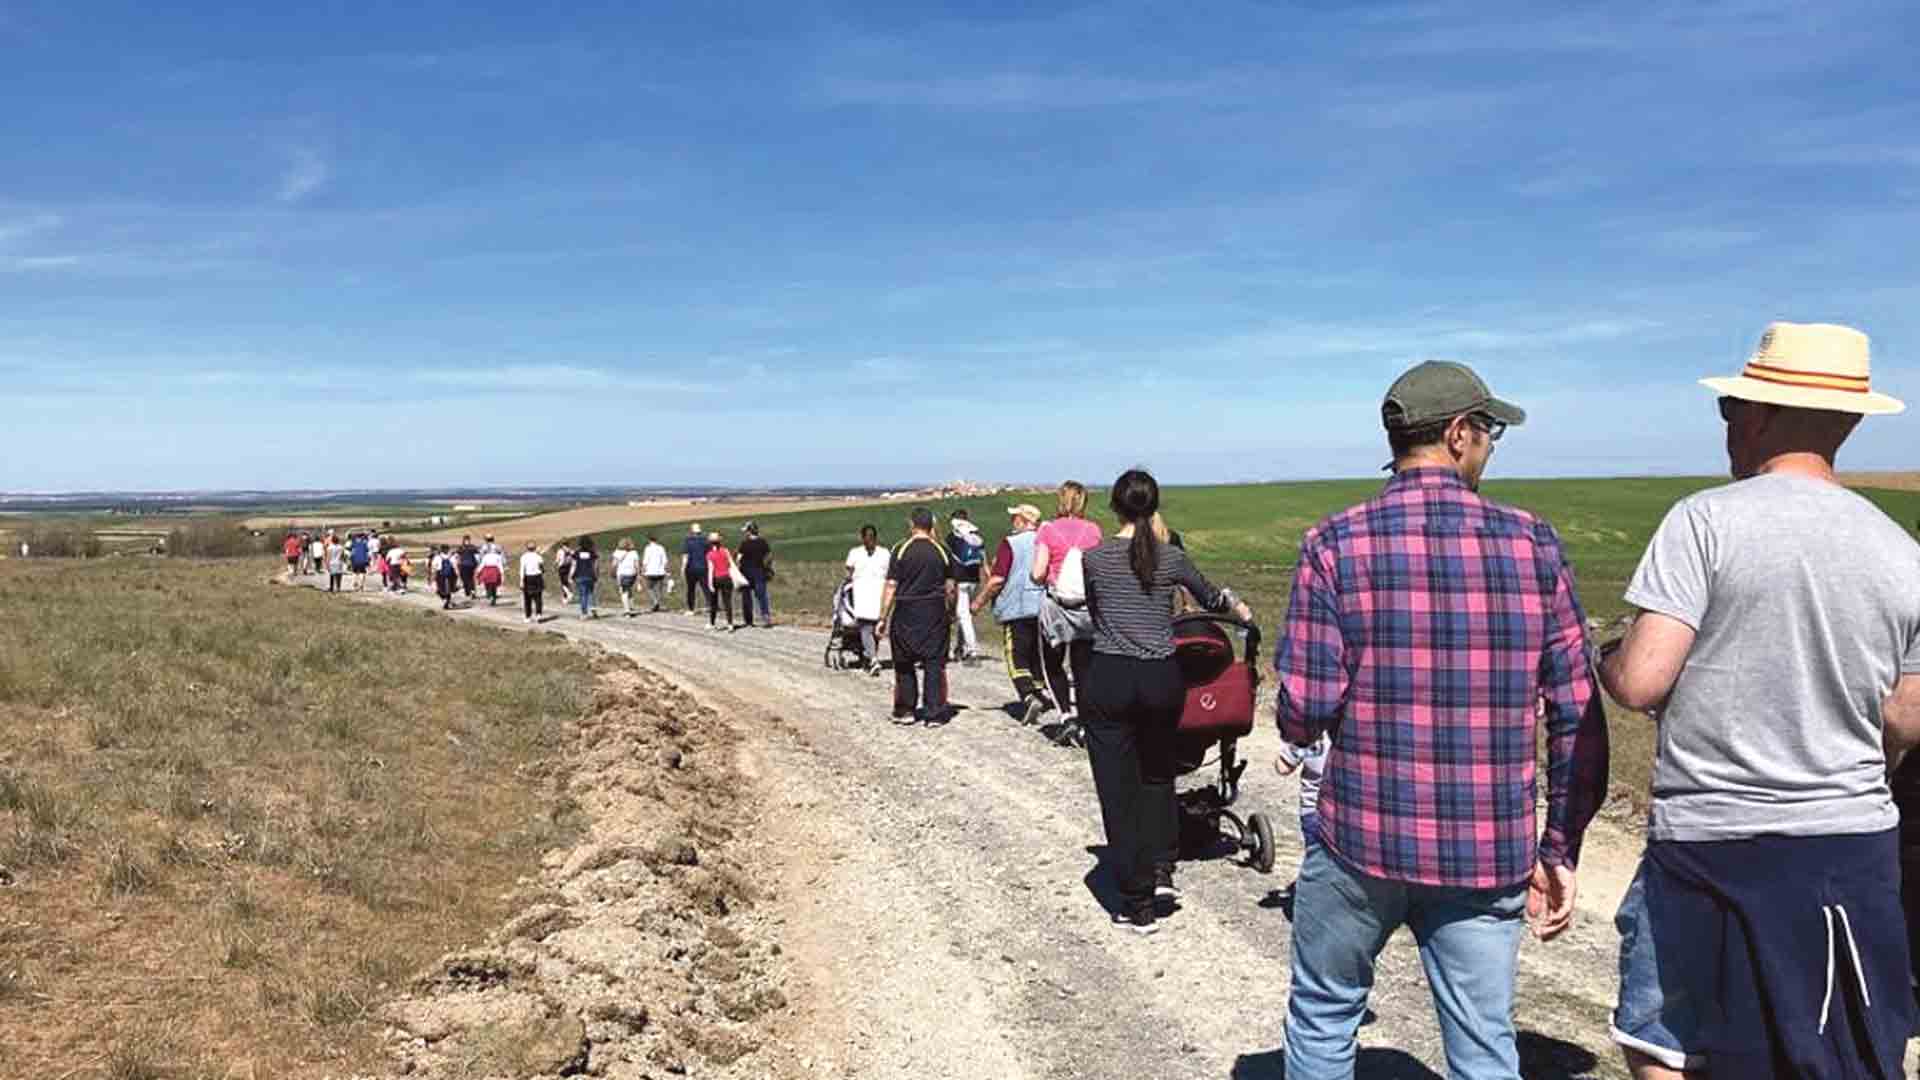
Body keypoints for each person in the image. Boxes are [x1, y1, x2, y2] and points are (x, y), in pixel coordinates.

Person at [1596, 322, 1919, 1079]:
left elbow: (1644, 681)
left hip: (1710, 839)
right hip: (1851, 845)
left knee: (1667, 1042)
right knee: (1836, 1049)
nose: (1728, 425)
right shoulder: (1902, 552)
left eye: (1730, 409)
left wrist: (1607, 657)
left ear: (1760, 414)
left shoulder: (1705, 520)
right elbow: (1907, 716)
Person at [1276, 360, 1609, 1080]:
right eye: (1488, 432)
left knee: (1324, 1013)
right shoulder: (1534, 543)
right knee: (1484, 1041)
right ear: (1459, 435)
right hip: (1486, 850)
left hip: (1359, 834)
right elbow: (1576, 711)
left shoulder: (1333, 543)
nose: (1489, 445)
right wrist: (1560, 846)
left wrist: (1310, 730)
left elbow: (1303, 705)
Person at [1082, 470, 1252, 932]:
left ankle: (1136, 902)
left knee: (1119, 789)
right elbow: (1212, 597)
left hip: (1111, 676)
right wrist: (1241, 611)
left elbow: (1091, 612)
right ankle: (1162, 869)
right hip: (1161, 678)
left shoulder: (1093, 559)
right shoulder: (1172, 558)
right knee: (1157, 777)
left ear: (1114, 507)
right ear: (1154, 508)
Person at [1031, 481, 1103, 746]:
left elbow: (1038, 573)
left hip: (1057, 607)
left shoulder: (1047, 530)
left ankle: (1065, 717)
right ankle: (1085, 720)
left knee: (1052, 664)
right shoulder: (1093, 531)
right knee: (1083, 667)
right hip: (1086, 609)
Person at [972, 504, 1052, 726]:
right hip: (1042, 607)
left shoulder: (1011, 543)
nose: (1012, 521)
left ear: (1023, 520)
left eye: (1015, 517)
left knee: (1016, 655)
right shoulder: (1044, 541)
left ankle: (1028, 696)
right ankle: (1042, 694)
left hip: (1017, 608)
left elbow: (997, 580)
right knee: (1037, 655)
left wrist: (979, 601)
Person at [877, 508, 956, 723]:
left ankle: (905, 710)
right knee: (933, 663)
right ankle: (934, 712)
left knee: (903, 663)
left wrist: (883, 617)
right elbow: (950, 587)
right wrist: (951, 612)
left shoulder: (900, 549)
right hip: (934, 611)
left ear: (912, 524)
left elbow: (891, 585)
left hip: (906, 610)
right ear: (931, 524)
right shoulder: (942, 550)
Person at [844, 525, 891, 674]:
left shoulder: (884, 554)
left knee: (875, 630)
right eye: (867, 537)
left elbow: (890, 575)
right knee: (866, 628)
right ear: (862, 538)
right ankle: (873, 659)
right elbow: (849, 573)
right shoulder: (855, 553)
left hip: (878, 596)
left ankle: (870, 657)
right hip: (862, 595)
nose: (869, 540)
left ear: (876, 538)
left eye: (872, 537)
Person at [946, 510, 986, 662]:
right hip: (974, 580)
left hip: (960, 580)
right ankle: (960, 648)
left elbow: (949, 560)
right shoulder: (976, 537)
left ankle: (972, 650)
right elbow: (983, 559)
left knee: (963, 615)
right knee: (965, 615)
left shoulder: (952, 538)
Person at [737, 522, 773, 628]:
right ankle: (765, 617)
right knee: (762, 595)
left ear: (749, 531)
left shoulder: (744, 543)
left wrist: (738, 570)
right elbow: (769, 556)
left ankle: (748, 620)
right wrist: (767, 568)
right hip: (760, 571)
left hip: (746, 572)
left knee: (746, 596)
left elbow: (738, 559)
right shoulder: (763, 542)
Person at [705, 531, 738, 631]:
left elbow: (710, 570)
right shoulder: (725, 551)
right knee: (727, 602)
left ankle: (712, 623)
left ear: (710, 543)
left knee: (713, 603)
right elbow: (730, 564)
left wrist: (710, 583)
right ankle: (730, 624)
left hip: (716, 579)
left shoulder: (709, 554)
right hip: (727, 578)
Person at [682, 523, 712, 615]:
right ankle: (710, 605)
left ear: (691, 531)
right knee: (706, 588)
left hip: (691, 568)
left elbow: (685, 556)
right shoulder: (705, 541)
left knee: (691, 589)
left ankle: (691, 609)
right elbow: (709, 555)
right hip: (703, 567)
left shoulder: (688, 541)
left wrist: (682, 568)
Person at [641, 534, 671, 613]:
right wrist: (667, 570)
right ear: (656, 540)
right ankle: (659, 602)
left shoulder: (648, 548)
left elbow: (645, 560)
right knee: (659, 588)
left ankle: (655, 601)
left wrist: (643, 570)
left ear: (649, 540)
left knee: (649, 587)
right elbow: (665, 560)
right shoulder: (661, 548)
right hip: (660, 571)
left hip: (650, 571)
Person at [613, 538, 642, 616]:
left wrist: (612, 570)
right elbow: (637, 565)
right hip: (632, 574)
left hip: (622, 574)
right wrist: (639, 575)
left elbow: (614, 564)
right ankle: (631, 607)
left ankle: (627, 610)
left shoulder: (617, 552)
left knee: (624, 591)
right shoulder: (634, 553)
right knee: (629, 589)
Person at [572, 536, 598, 618]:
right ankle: (592, 607)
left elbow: (574, 565)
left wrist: (571, 575)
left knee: (583, 594)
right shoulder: (592, 553)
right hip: (590, 575)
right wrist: (596, 574)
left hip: (579, 575)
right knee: (590, 592)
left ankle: (584, 613)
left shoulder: (576, 553)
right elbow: (596, 565)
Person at [518, 542, 545, 622]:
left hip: (527, 577)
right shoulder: (538, 557)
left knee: (527, 598)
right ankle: (538, 614)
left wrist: (521, 580)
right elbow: (542, 568)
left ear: (526, 548)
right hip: (537, 577)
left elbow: (522, 569)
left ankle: (527, 616)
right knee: (538, 597)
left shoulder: (523, 557)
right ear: (535, 548)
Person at [433, 544, 458, 610]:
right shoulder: (452, 557)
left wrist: (433, 575)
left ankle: (446, 601)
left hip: (440, 575)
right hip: (450, 575)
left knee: (439, 590)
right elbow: (455, 567)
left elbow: (434, 567)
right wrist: (458, 575)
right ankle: (448, 602)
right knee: (449, 590)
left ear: (441, 549)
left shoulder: (437, 557)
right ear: (448, 549)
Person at [456, 535, 480, 600]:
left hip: (467, 566)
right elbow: (458, 556)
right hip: (466, 565)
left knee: (469, 580)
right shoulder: (463, 547)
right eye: (466, 540)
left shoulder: (463, 547)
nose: (467, 541)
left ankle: (470, 593)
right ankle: (470, 592)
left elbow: (477, 555)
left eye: (468, 540)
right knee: (468, 580)